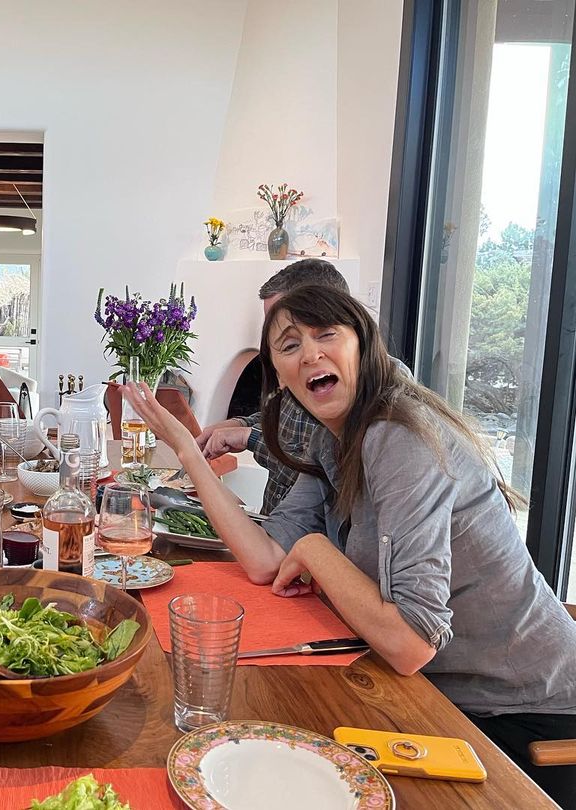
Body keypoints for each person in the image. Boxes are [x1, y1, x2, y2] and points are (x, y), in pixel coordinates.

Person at [124, 285, 576, 807]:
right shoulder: (333, 436)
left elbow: (410, 644)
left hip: (524, 718)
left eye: (326, 334)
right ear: (280, 376)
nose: (310, 353)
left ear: (362, 343)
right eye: (289, 345)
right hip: (437, 697)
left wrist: (316, 550)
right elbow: (265, 560)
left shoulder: (399, 435)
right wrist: (187, 449)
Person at [195, 259, 349, 514]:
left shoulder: (364, 393)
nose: (272, 337)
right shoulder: (299, 371)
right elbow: (281, 418)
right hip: (275, 526)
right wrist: (239, 424)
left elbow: (319, 472)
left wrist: (250, 438)